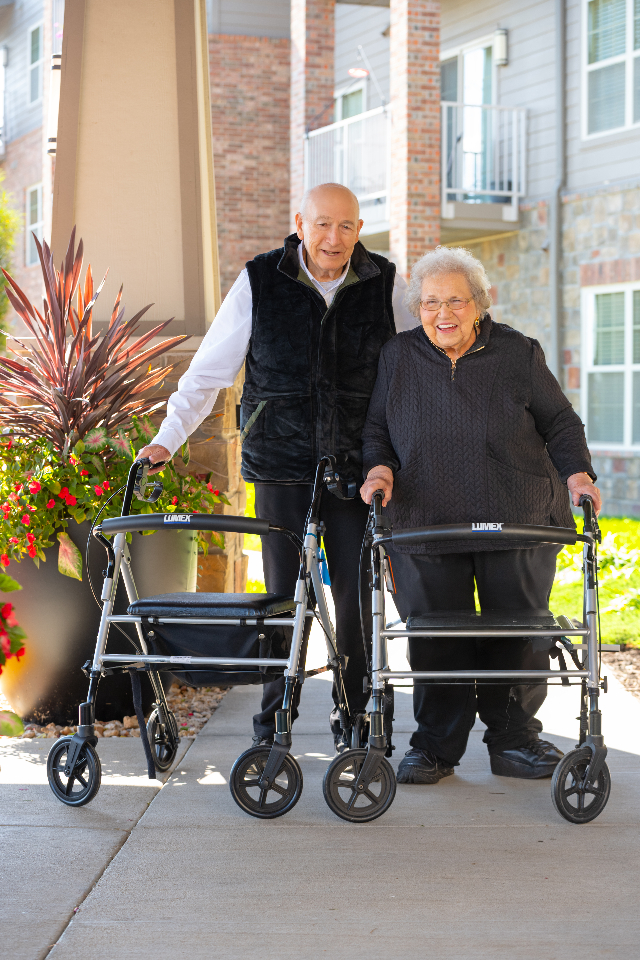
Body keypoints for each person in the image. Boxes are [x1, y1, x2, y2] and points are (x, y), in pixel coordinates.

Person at [139, 182, 417, 751]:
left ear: (359, 229)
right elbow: (209, 369)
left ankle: (360, 716)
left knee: (358, 599)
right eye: (322, 224)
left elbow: (420, 366)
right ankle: (274, 723)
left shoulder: (387, 283)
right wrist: (169, 437)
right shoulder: (260, 279)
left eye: (345, 226)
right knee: (284, 600)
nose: (333, 238)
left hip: (358, 470)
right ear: (299, 222)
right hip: (280, 468)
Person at [360, 245, 601, 785]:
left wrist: (578, 475)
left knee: (516, 631)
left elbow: (560, 423)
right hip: (425, 517)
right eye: (429, 302)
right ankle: (434, 748)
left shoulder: (518, 353)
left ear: (479, 304)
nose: (442, 314)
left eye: (455, 302)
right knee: (435, 635)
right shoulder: (398, 356)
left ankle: (514, 741)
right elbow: (377, 428)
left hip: (514, 512)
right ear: (417, 307)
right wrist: (378, 469)